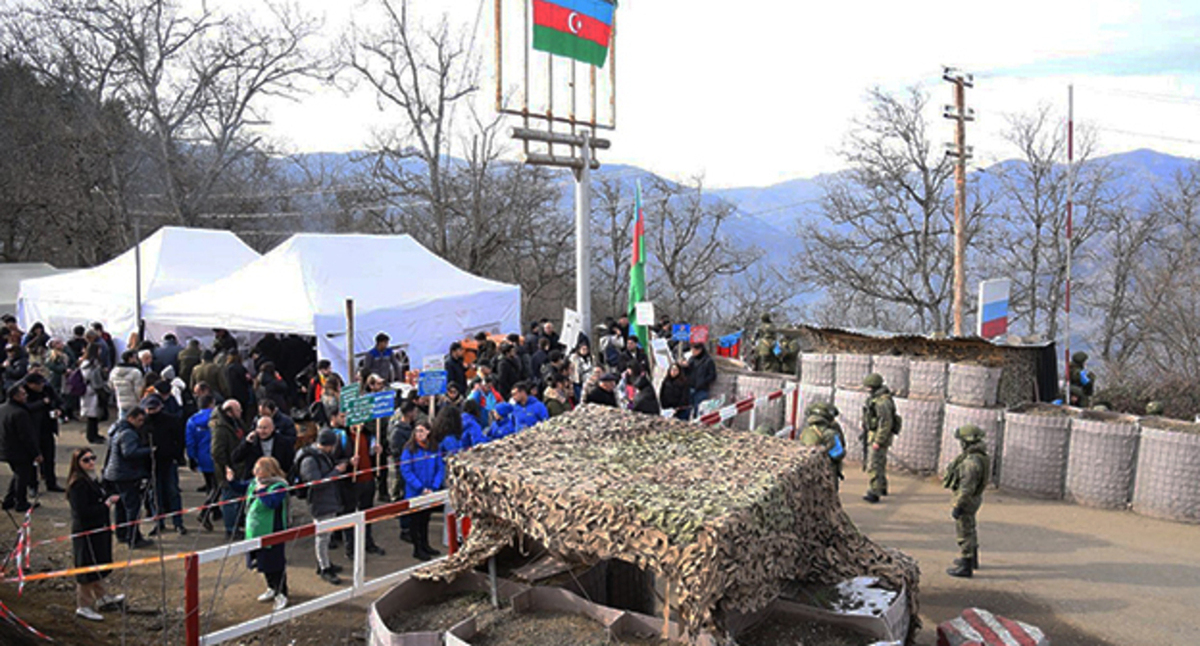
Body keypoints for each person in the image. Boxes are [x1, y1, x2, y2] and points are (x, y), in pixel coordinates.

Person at [65, 447, 125, 621]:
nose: (91, 462)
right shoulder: (78, 484)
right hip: (87, 532)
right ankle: (83, 605)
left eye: (93, 458)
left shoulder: (91, 479)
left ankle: (102, 596)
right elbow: (82, 511)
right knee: (86, 569)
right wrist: (105, 505)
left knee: (97, 563)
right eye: (86, 460)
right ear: (78, 463)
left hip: (98, 529)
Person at [296, 429, 346, 584]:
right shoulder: (310, 460)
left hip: (327, 499)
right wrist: (336, 472)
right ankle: (324, 567)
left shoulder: (318, 455)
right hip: (320, 501)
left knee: (326, 535)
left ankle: (324, 562)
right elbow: (316, 483)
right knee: (322, 537)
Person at [240, 457, 290, 610]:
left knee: (275, 563)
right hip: (255, 531)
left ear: (269, 470)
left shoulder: (279, 486)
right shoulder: (255, 482)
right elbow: (240, 486)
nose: (255, 471)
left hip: (272, 530)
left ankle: (282, 593)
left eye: (258, 468)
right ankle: (271, 588)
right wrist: (230, 480)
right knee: (262, 562)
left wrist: (261, 491)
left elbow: (272, 503)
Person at [102, 406, 153, 548]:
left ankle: (122, 533)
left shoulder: (116, 429)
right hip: (126, 474)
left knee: (121, 506)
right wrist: (149, 450)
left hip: (114, 473)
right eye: (139, 420)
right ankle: (133, 538)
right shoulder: (129, 433)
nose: (141, 423)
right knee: (132, 508)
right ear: (131, 418)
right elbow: (129, 453)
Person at [334, 417, 385, 558]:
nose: (360, 424)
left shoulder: (369, 435)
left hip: (368, 480)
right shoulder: (342, 438)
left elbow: (373, 456)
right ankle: (350, 548)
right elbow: (334, 459)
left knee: (367, 513)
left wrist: (378, 452)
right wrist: (348, 462)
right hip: (351, 483)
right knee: (349, 514)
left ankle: (368, 542)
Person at [944, 424, 990, 578]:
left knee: (964, 532)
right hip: (975, 498)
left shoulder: (970, 463)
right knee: (970, 527)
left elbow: (966, 489)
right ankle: (972, 559)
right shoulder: (982, 456)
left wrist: (958, 505)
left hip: (967, 500)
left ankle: (966, 564)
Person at [400, 422, 443, 561]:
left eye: (422, 431)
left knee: (425, 520)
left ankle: (425, 544)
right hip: (415, 492)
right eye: (417, 431)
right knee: (415, 521)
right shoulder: (409, 449)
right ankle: (417, 548)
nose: (419, 434)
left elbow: (439, 468)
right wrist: (420, 487)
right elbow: (406, 471)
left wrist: (434, 487)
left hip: (430, 491)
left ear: (429, 432)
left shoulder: (434, 448)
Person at [1, 381, 41, 512]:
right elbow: (27, 437)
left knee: (18, 475)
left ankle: (9, 499)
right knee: (22, 476)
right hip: (19, 451)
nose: (26, 396)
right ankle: (20, 502)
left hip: (5, 448)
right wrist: (36, 453)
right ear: (15, 397)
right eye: (23, 394)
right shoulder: (20, 413)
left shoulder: (2, 409)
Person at [210, 400, 247, 538]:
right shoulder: (220, 428)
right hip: (228, 471)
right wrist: (228, 467)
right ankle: (231, 529)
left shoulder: (236, 422)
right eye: (238, 410)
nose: (241, 412)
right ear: (230, 412)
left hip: (239, 467)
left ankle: (237, 524)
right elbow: (217, 452)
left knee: (237, 499)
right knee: (229, 500)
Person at [23, 373, 65, 492]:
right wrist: (42, 403)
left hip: (47, 428)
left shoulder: (47, 389)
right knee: (32, 460)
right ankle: (32, 485)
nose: (42, 385)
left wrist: (59, 410)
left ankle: (51, 482)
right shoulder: (23, 392)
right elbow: (25, 407)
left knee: (49, 457)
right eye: (38, 384)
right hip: (31, 431)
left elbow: (58, 400)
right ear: (30, 385)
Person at [861, 373, 897, 504]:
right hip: (874, 434)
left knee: (874, 465)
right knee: (880, 462)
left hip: (878, 437)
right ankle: (881, 487)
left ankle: (874, 492)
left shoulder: (882, 402)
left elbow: (885, 423)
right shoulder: (877, 399)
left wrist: (878, 441)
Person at [186, 395, 218, 529]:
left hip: (202, 457)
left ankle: (215, 510)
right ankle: (205, 512)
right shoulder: (217, 418)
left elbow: (190, 442)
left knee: (210, 485)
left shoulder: (192, 421)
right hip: (215, 456)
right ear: (212, 403)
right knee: (218, 487)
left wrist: (191, 458)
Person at [798, 407, 845, 489]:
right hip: (826, 472)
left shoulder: (805, 431)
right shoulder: (829, 433)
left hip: (808, 472)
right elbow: (838, 454)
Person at [80, 343, 108, 444]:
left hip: (93, 390)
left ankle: (95, 433)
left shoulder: (92, 362)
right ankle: (91, 436)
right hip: (91, 390)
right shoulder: (88, 363)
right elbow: (89, 376)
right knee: (92, 415)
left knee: (95, 414)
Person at [682, 342, 716, 417]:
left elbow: (712, 375)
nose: (693, 352)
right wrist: (685, 367)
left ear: (700, 350)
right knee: (687, 408)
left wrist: (703, 382)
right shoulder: (692, 359)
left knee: (699, 410)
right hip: (690, 387)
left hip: (701, 389)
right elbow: (687, 373)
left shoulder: (708, 361)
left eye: (694, 351)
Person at [109, 350, 144, 419]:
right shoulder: (135, 372)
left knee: (122, 421)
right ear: (130, 358)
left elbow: (111, 386)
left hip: (120, 401)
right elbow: (138, 390)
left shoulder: (114, 371)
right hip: (133, 402)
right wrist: (141, 400)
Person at [224, 351, 254, 421]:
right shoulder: (241, 368)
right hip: (242, 393)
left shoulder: (225, 368)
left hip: (230, 394)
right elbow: (248, 379)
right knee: (242, 412)